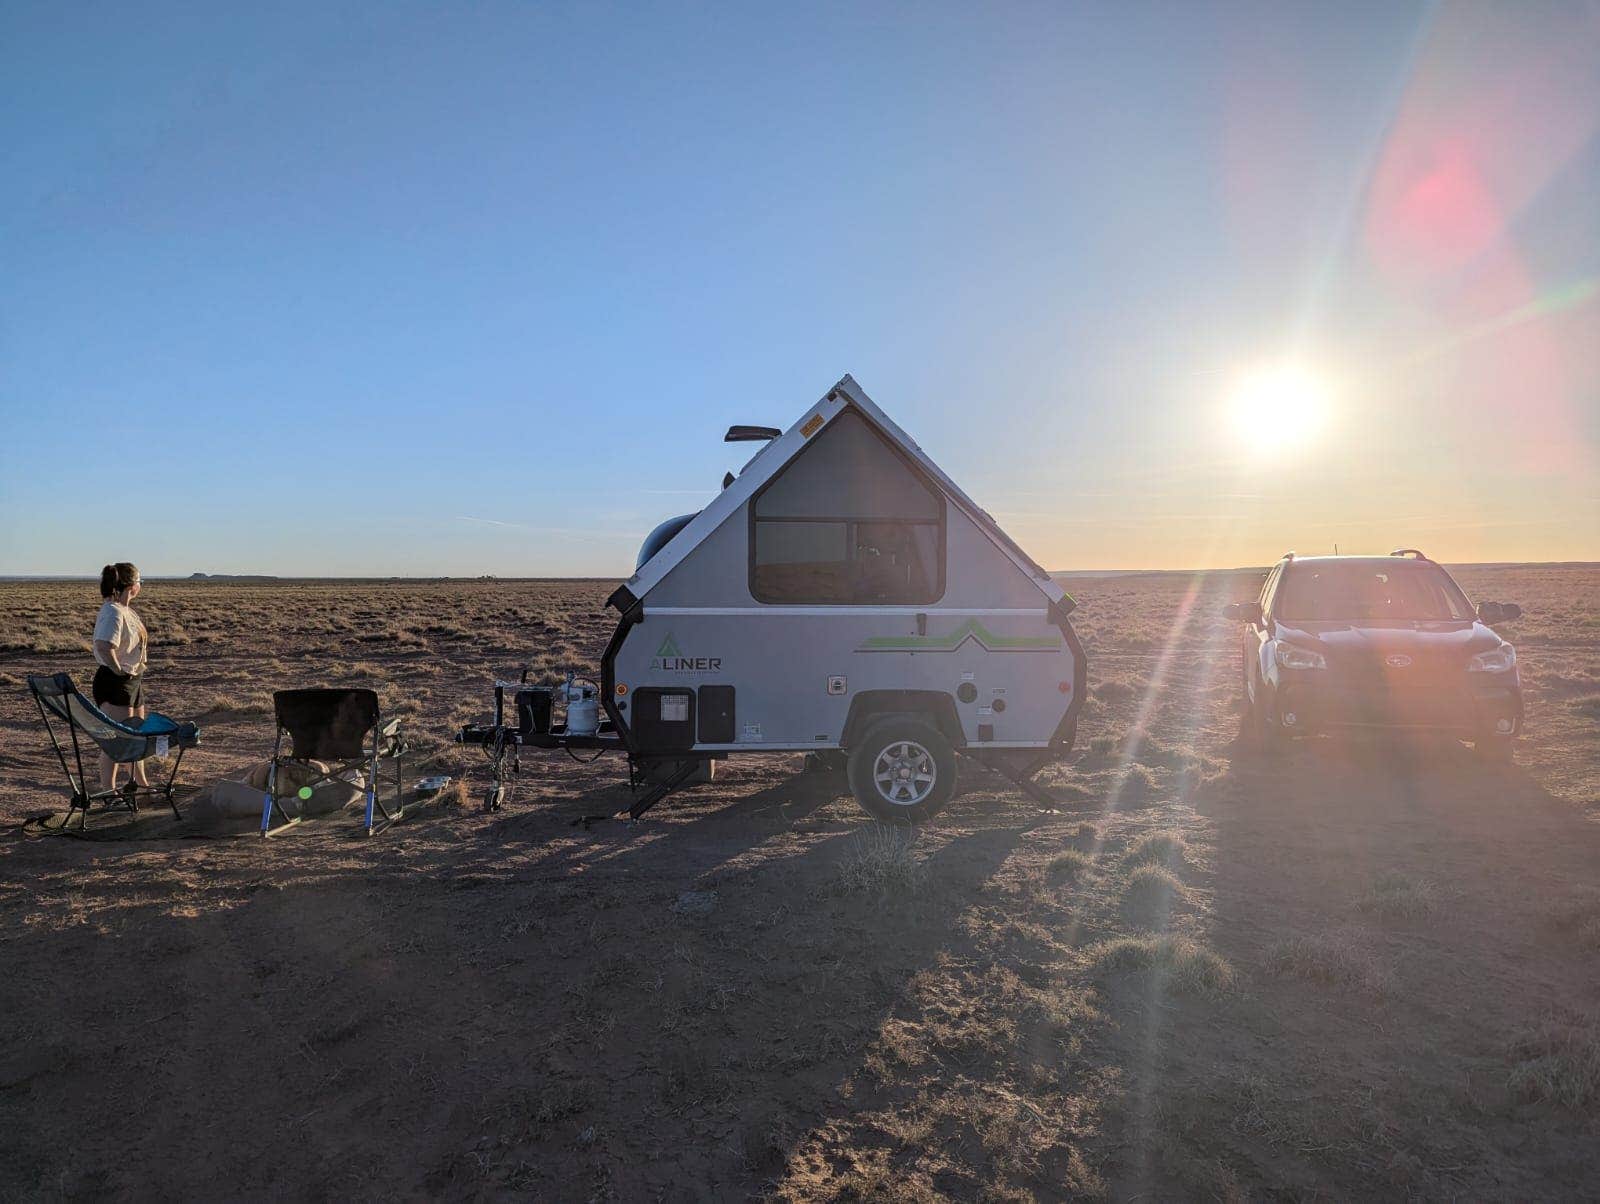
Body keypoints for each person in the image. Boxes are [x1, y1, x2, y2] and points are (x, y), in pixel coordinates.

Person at [92, 562, 151, 791]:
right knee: (116, 740)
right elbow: (104, 645)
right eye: (140, 581)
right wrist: (118, 671)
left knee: (135, 736)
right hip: (115, 682)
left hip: (132, 679)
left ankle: (141, 785)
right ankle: (109, 791)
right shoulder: (113, 611)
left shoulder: (126, 610)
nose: (140, 585)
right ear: (131, 585)